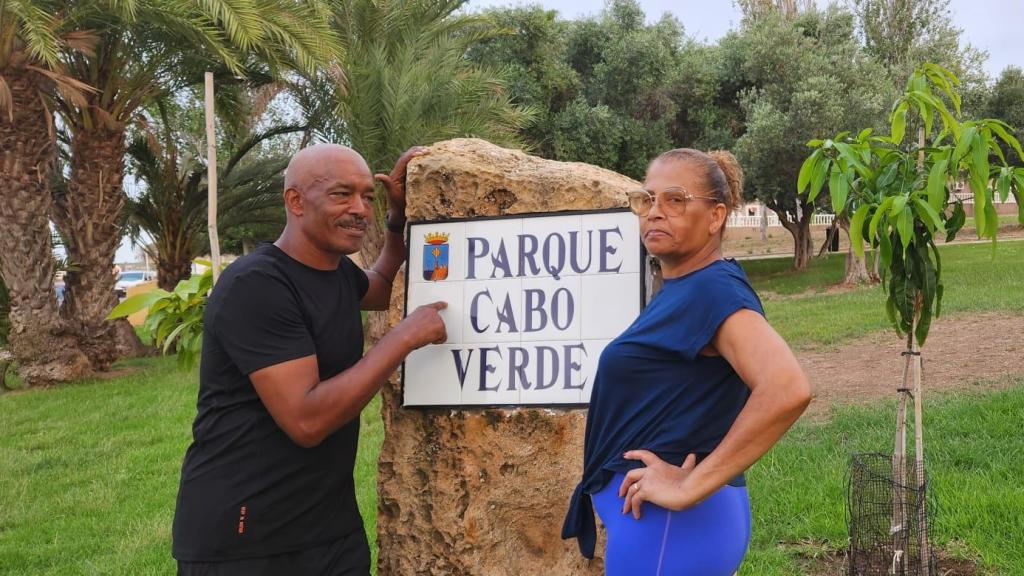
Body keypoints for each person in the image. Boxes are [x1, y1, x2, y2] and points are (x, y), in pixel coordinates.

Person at [171, 144, 447, 575]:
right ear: (295, 201)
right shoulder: (258, 285)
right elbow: (306, 420)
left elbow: (379, 286)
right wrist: (403, 339)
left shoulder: (333, 270)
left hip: (327, 528)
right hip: (248, 538)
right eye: (341, 195)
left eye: (367, 197)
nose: (359, 209)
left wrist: (398, 219)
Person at [562, 148, 811, 575]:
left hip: (670, 529)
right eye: (648, 200)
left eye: (675, 200)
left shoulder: (712, 291)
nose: (655, 212)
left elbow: (787, 389)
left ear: (715, 217)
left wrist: (688, 486)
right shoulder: (687, 285)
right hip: (661, 530)